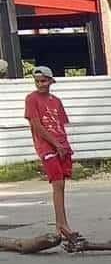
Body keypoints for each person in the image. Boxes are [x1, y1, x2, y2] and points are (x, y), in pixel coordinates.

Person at [24, 66, 81, 248]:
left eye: (43, 81)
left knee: (62, 183)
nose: (40, 84)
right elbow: (37, 125)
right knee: (57, 183)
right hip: (46, 146)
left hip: (61, 145)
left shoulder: (56, 101)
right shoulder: (31, 99)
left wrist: (64, 145)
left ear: (50, 81)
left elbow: (60, 125)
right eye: (37, 81)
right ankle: (63, 225)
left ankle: (61, 225)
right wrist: (55, 144)